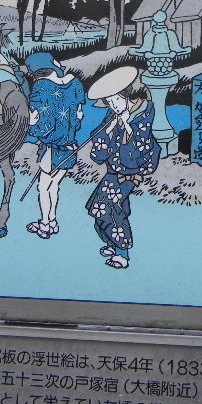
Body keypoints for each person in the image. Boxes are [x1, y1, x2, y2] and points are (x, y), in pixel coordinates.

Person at [84, 66, 160, 270]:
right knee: (101, 207)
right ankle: (112, 243)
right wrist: (108, 130)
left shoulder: (142, 117)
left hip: (129, 173)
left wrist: (125, 127)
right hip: (113, 172)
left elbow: (134, 155)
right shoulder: (112, 116)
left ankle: (122, 253)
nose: (113, 105)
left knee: (107, 208)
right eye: (109, 102)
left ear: (126, 95)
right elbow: (98, 155)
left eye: (115, 100)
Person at [25, 52, 85, 239]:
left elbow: (42, 126)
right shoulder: (75, 84)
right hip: (70, 147)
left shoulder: (41, 88)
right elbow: (78, 119)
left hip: (52, 149)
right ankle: (52, 220)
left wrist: (31, 124)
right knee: (55, 185)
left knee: (44, 187)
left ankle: (45, 224)